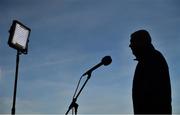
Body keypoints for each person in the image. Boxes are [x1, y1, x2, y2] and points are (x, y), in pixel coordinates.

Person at [129, 30, 172, 114]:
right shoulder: (146, 60)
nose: (130, 45)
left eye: (132, 42)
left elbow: (155, 96)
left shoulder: (153, 59)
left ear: (141, 42)